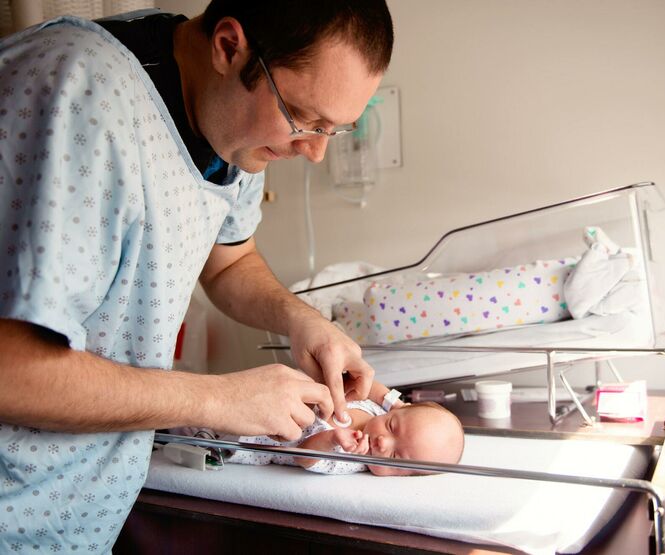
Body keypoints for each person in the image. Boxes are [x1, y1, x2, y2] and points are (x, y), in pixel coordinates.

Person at [0, 1, 393, 552]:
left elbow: (229, 259)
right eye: (304, 118)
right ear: (229, 47)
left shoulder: (234, 130)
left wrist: (303, 321)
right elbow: (11, 370)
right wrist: (215, 399)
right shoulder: (79, 95)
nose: (315, 152)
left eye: (336, 129)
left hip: (74, 516)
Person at [181, 384, 465, 476]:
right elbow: (369, 385)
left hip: (255, 434)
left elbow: (304, 457)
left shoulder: (351, 458)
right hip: (265, 398)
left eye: (395, 458)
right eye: (392, 427)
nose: (382, 442)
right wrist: (392, 400)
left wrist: (331, 439)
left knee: (188, 424)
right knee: (200, 397)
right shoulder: (378, 410)